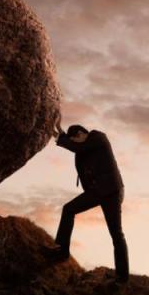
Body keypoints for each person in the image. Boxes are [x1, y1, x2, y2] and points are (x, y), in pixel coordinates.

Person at [49, 117, 129, 284]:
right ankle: (61, 250)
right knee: (68, 209)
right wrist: (60, 133)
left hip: (112, 191)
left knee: (116, 234)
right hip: (97, 191)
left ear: (81, 134)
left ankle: (122, 277)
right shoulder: (84, 146)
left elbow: (77, 147)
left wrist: (60, 137)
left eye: (75, 140)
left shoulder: (98, 137)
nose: (75, 145)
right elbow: (77, 147)